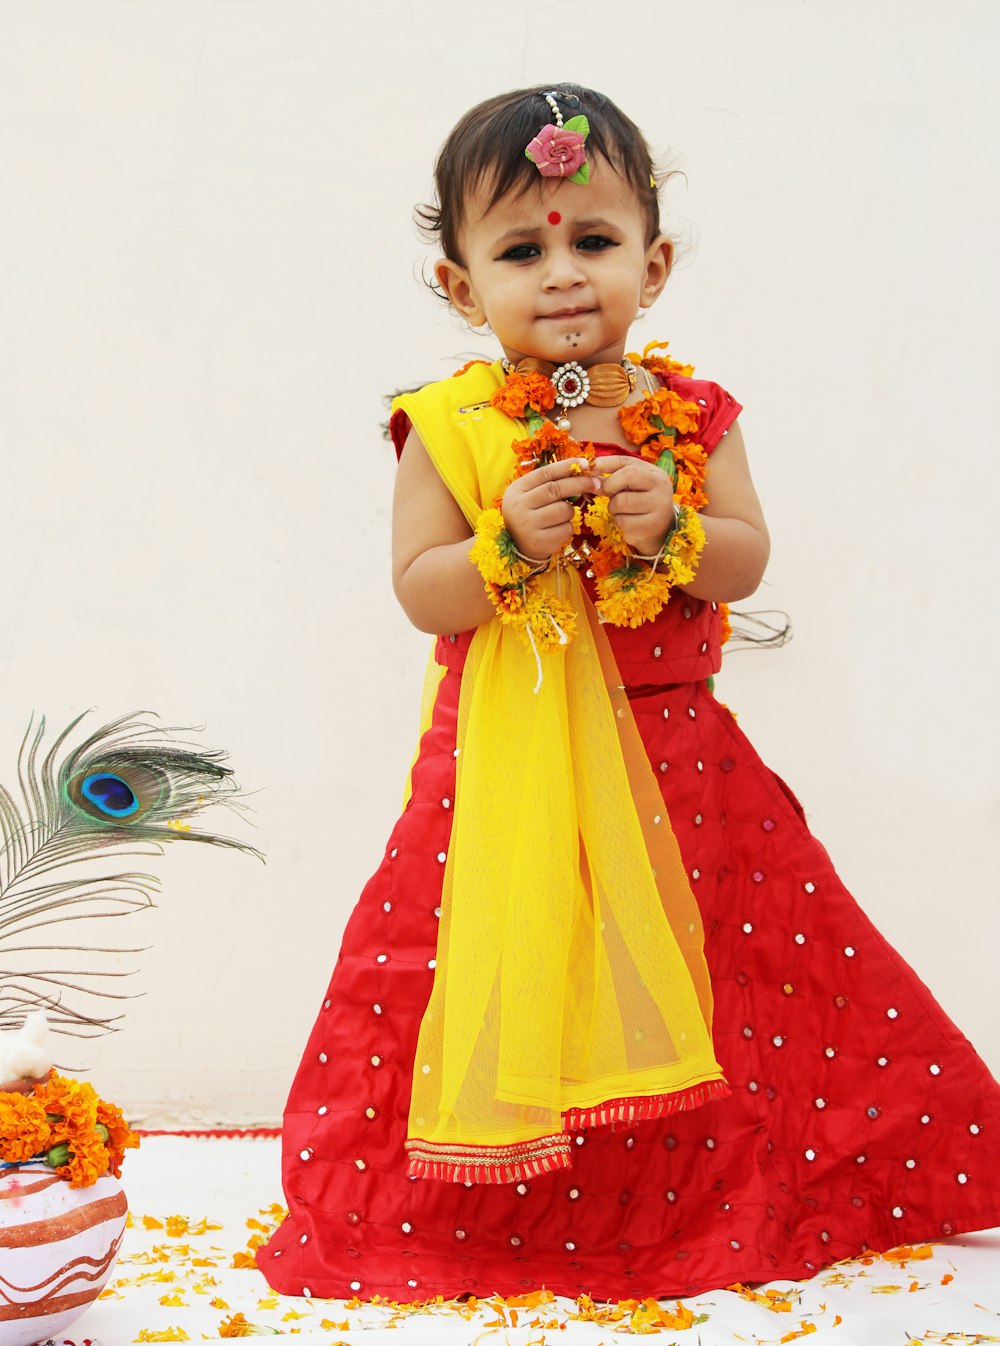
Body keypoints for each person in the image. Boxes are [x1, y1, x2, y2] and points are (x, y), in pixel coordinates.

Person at [259, 84, 1000, 1302]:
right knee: (470, 965)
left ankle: (703, 1187)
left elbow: (748, 557)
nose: (561, 274)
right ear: (460, 287)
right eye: (520, 249)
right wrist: (500, 544)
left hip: (679, 768)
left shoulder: (691, 417)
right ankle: (483, 1202)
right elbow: (420, 590)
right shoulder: (446, 426)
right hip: (501, 780)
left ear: (650, 265)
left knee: (728, 976)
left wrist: (679, 528)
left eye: (592, 242)